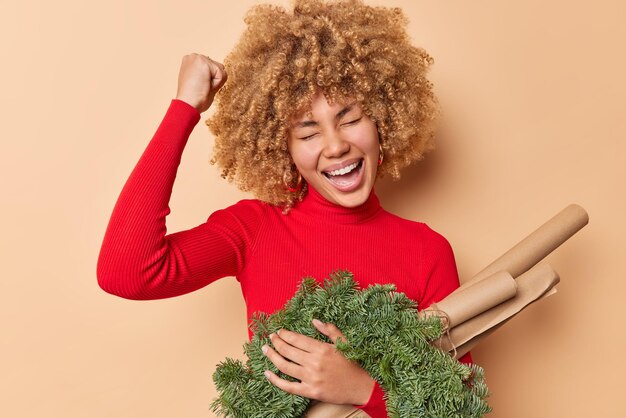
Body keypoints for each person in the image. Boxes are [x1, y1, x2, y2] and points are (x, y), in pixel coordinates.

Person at [97, 1, 472, 417]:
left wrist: (363, 389)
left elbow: (456, 407)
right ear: (284, 150)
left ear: (384, 118)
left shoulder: (427, 250)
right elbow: (126, 272)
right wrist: (185, 108)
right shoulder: (254, 229)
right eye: (308, 132)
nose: (335, 146)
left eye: (349, 119)